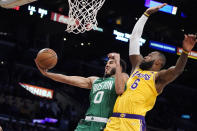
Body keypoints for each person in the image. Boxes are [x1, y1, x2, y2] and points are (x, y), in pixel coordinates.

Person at [104, 3, 197, 131]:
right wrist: (146, 14)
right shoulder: (137, 67)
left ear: (158, 62)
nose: (146, 55)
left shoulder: (158, 77)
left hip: (133, 123)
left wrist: (185, 52)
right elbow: (135, 38)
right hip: (114, 121)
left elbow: (177, 70)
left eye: (150, 55)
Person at [35, 53, 128, 131]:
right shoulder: (95, 80)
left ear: (119, 66)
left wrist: (118, 60)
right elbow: (68, 79)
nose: (106, 65)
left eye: (111, 63)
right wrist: (47, 74)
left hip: (104, 124)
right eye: (106, 63)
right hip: (86, 123)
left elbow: (119, 89)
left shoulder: (124, 77)